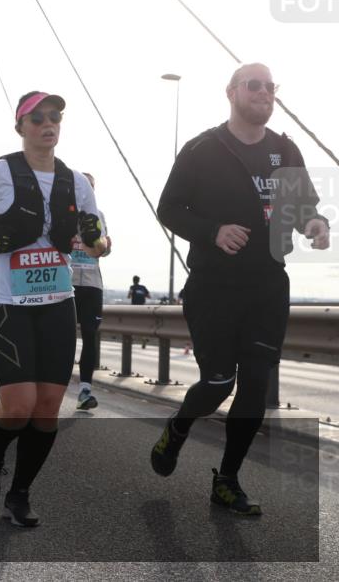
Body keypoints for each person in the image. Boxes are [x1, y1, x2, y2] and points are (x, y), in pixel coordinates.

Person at [150, 63, 330, 515]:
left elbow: (306, 204)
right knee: (216, 382)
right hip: (213, 286)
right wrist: (212, 231)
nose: (265, 92)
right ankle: (178, 428)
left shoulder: (286, 150)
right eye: (255, 85)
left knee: (253, 387)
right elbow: (168, 208)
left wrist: (315, 223)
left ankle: (227, 480)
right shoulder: (203, 149)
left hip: (268, 285)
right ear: (231, 92)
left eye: (271, 86)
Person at [0, 91, 105, 526]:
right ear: (21, 127)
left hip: (57, 299)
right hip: (5, 299)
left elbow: (100, 245)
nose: (47, 123)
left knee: (47, 408)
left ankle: (19, 494)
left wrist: (96, 238)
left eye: (54, 116)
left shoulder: (76, 181)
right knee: (18, 406)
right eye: (36, 118)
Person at [70, 173, 112, 409]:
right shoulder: (62, 215)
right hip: (67, 282)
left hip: (93, 283)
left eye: (91, 188)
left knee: (90, 336)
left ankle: (85, 390)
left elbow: (103, 248)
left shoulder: (99, 216)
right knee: (63, 338)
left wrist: (105, 246)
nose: (88, 192)